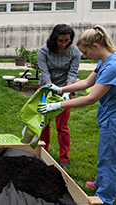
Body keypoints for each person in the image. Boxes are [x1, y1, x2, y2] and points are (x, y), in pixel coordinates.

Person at [37, 25, 116, 205]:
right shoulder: (103, 62)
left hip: (114, 118)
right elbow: (87, 82)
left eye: (86, 52)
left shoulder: (113, 66)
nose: (85, 56)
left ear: (95, 46)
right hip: (108, 116)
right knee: (104, 151)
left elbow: (90, 98)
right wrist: (61, 88)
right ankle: (100, 182)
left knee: (110, 156)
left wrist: (58, 104)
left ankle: (105, 197)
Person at [37, 24, 81, 169]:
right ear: (54, 39)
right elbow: (45, 72)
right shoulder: (44, 51)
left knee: (62, 125)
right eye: (60, 40)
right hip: (46, 88)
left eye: (66, 40)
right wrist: (50, 88)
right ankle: (44, 152)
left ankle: (64, 158)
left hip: (64, 88)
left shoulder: (74, 52)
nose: (63, 44)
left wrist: (67, 91)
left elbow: (72, 73)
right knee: (44, 124)